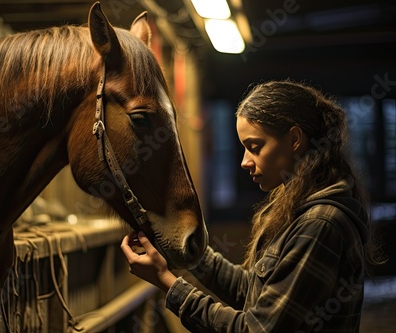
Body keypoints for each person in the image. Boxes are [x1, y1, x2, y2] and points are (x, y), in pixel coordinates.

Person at [121, 80, 384, 332]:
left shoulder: (319, 223)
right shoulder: (299, 207)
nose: (245, 161)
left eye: (255, 147)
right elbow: (252, 292)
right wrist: (191, 251)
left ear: (294, 139)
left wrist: (166, 281)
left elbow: (254, 328)